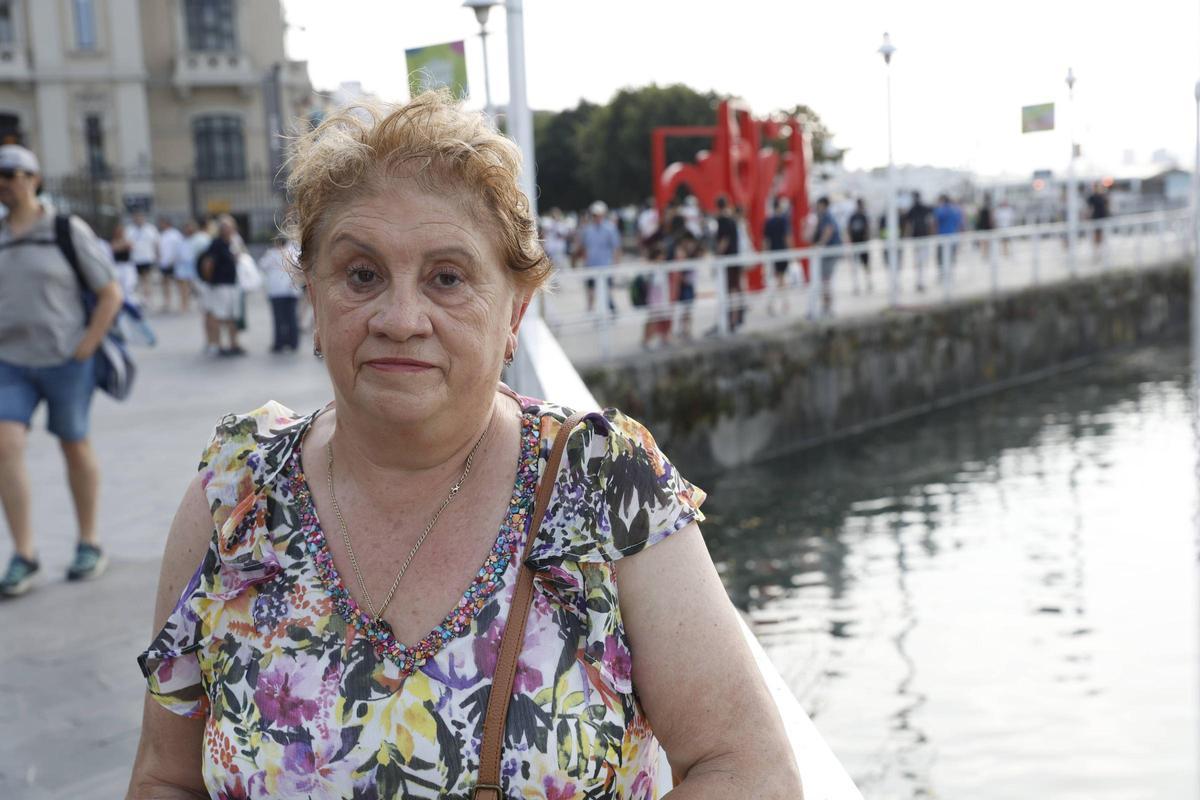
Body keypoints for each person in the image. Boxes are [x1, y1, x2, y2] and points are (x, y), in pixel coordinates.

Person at [128, 91, 802, 799]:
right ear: (314, 300)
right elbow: (165, 776)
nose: (399, 317)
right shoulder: (236, 498)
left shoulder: (604, 486)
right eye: (362, 274)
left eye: (447, 278)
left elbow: (746, 767)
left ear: (514, 311)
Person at [0, 144, 123, 596]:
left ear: (34, 178)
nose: (5, 183)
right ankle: (24, 553)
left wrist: (85, 346)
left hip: (66, 359)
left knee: (74, 445)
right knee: (5, 443)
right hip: (9, 362)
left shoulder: (65, 229)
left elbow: (109, 291)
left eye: (13, 173)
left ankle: (89, 541)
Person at [197, 215, 245, 357]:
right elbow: (208, 264)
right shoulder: (216, 244)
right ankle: (217, 344)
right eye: (225, 227)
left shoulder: (233, 242)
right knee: (218, 316)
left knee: (232, 316)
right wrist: (210, 280)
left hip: (232, 284)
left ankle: (233, 344)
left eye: (230, 227)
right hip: (220, 285)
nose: (228, 230)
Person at [260, 233, 301, 353]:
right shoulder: (293, 252)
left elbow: (262, 265)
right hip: (291, 289)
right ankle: (293, 342)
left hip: (276, 291)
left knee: (279, 319)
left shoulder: (271, 253)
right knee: (292, 317)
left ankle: (279, 343)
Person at [576, 199, 620, 314]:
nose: (597, 217)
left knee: (607, 290)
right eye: (595, 214)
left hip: (606, 265)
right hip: (591, 265)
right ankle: (590, 311)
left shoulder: (610, 228)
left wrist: (615, 264)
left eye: (599, 214)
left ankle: (609, 309)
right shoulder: (587, 230)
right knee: (591, 291)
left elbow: (616, 248)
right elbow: (583, 247)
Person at [714, 196, 742, 332]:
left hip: (727, 260)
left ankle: (730, 320)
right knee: (735, 289)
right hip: (735, 257)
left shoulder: (723, 220)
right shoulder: (733, 219)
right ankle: (735, 319)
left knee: (729, 290)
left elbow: (724, 240)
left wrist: (717, 256)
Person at [812, 196, 842, 317]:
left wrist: (819, 245)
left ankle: (827, 306)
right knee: (825, 280)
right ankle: (826, 305)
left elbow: (828, 231)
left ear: (823, 205)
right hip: (829, 251)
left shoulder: (826, 216)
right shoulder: (824, 216)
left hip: (830, 252)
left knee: (826, 280)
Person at [763, 197, 792, 315]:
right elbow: (787, 237)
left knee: (777, 279)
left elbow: (766, 240)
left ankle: (776, 303)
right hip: (782, 252)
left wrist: (766, 254)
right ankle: (777, 303)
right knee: (780, 279)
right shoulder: (783, 220)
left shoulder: (768, 221)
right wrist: (790, 251)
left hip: (773, 253)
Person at [903, 191, 934, 292]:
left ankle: (920, 281)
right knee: (920, 262)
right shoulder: (919, 208)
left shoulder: (916, 208)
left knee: (920, 262)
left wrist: (907, 236)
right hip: (921, 238)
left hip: (920, 238)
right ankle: (920, 281)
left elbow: (909, 224)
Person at [126, 210, 159, 304]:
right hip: (135, 259)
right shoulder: (130, 229)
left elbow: (156, 243)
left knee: (147, 278)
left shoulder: (150, 229)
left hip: (147, 257)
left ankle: (148, 297)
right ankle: (140, 298)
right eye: (136, 218)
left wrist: (157, 255)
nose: (138, 220)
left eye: (140, 218)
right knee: (136, 279)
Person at [934, 194, 965, 285]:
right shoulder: (955, 210)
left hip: (943, 237)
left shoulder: (941, 210)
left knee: (941, 258)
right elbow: (959, 224)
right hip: (953, 237)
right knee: (951, 257)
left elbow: (935, 221)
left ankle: (942, 275)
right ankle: (950, 275)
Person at [156, 216, 184, 313]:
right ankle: (167, 302)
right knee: (165, 283)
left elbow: (180, 248)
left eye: (162, 223)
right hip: (164, 262)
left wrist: (175, 260)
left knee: (179, 283)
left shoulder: (175, 234)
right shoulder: (162, 234)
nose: (161, 225)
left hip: (174, 263)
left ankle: (182, 303)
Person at [846, 198, 871, 294]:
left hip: (863, 244)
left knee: (866, 265)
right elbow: (848, 228)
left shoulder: (864, 216)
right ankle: (856, 285)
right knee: (855, 266)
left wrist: (866, 240)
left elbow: (868, 229)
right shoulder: (853, 217)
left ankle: (868, 282)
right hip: (855, 244)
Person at [1086, 182, 1110, 260]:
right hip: (1095, 218)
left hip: (1102, 217)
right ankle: (1096, 253)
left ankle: (1101, 252)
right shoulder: (1092, 197)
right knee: (1096, 236)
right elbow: (1089, 209)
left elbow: (1107, 206)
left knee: (1102, 236)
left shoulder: (1103, 196)